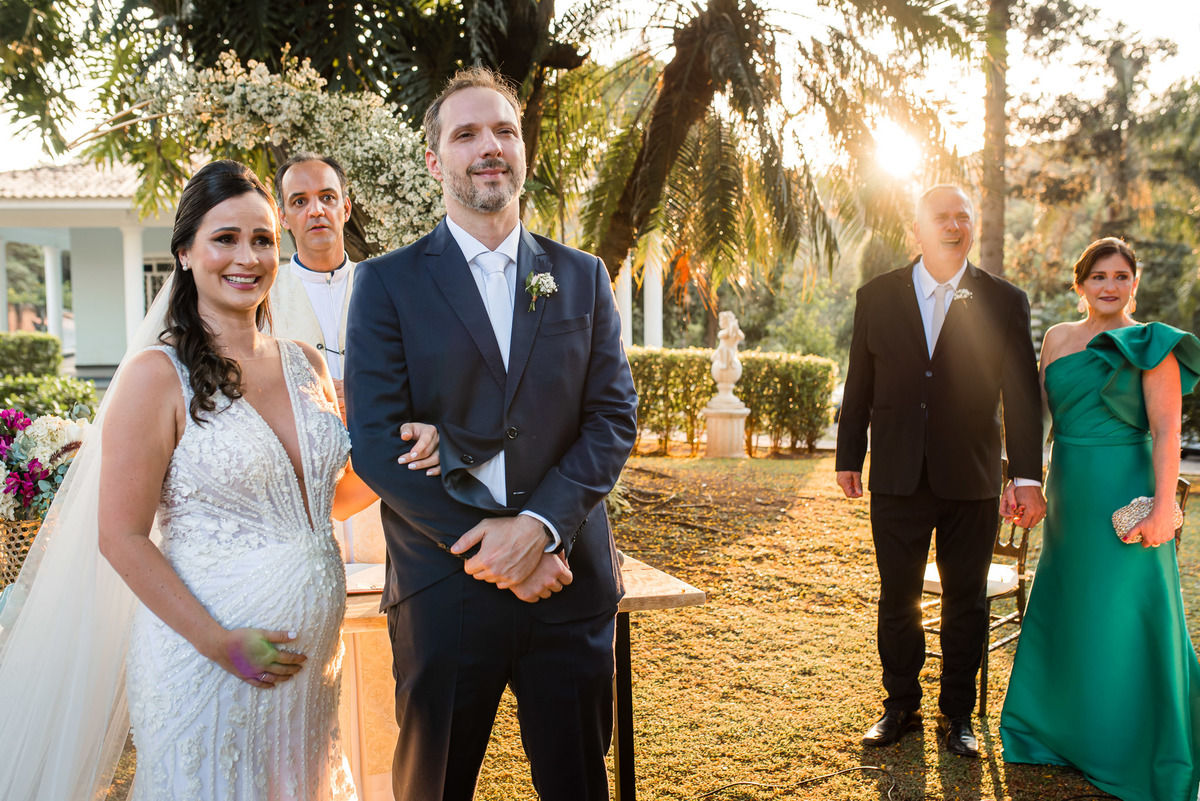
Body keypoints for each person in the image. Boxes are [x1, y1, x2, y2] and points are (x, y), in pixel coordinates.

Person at [0, 159, 439, 799]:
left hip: (312, 675)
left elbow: (328, 503)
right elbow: (120, 536)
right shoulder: (156, 376)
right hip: (206, 665)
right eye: (225, 238)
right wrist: (221, 644)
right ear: (184, 253)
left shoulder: (305, 363)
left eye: (262, 239)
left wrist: (404, 460)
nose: (248, 256)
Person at [344, 67, 638, 801]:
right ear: (434, 160)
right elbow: (379, 442)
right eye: (466, 132)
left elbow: (611, 417)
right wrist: (492, 546)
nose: (489, 146)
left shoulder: (581, 275)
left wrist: (538, 527)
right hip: (446, 587)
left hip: (565, 580)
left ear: (522, 150)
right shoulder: (386, 284)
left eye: (504, 130)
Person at [835, 184, 1045, 758]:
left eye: (964, 217)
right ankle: (900, 706)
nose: (954, 226)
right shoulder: (876, 296)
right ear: (918, 228)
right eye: (942, 217)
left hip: (971, 477)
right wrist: (849, 454)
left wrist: (1026, 475)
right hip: (897, 475)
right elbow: (861, 381)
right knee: (896, 596)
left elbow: (1023, 394)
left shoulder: (1003, 299)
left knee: (966, 600)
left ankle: (958, 716)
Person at [1000, 237, 1200, 800]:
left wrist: (1164, 508)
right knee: (1071, 607)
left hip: (1125, 495)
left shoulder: (1151, 344)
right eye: (1099, 276)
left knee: (1125, 614)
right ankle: (1059, 734)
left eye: (1120, 276)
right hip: (1070, 492)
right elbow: (1038, 418)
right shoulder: (1058, 339)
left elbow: (1166, 434)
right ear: (1080, 283)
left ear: (1135, 283)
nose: (1110, 286)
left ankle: (1129, 741)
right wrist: (1023, 479)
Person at [271, 152, 406, 563]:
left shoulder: (388, 285)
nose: (316, 210)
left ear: (345, 208)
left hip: (386, 477)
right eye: (300, 201)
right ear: (282, 217)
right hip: (303, 480)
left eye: (328, 197)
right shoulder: (265, 297)